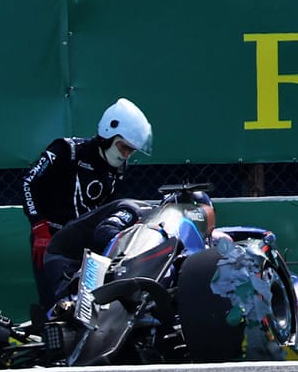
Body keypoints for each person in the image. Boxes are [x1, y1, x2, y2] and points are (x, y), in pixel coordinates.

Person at [21, 97, 152, 307]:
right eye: (123, 147)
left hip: (86, 243)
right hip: (50, 238)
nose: (126, 154)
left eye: (131, 150)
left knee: (91, 303)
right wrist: (38, 225)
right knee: (55, 304)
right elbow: (29, 182)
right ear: (109, 134)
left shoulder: (117, 170)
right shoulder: (66, 150)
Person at [40, 189, 216, 311]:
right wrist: (129, 258)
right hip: (67, 258)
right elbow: (105, 232)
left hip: (94, 258)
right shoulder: (135, 210)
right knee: (67, 311)